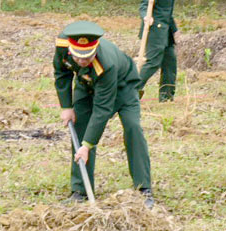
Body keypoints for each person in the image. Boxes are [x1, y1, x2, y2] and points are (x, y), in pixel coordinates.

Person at [54, 22, 153, 207]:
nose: (83, 61)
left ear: (95, 49)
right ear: (70, 49)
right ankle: (80, 190)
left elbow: (102, 110)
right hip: (86, 84)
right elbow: (61, 73)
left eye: (88, 57)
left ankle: (143, 188)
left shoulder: (106, 64)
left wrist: (87, 146)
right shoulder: (62, 45)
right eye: (79, 57)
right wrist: (66, 106)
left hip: (124, 87)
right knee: (80, 126)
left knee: (133, 127)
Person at [138, 0, 189, 102]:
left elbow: (167, 11)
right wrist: (146, 17)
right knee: (153, 62)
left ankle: (166, 98)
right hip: (154, 29)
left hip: (165, 31)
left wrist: (175, 29)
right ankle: (130, 91)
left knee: (170, 63)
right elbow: (145, 4)